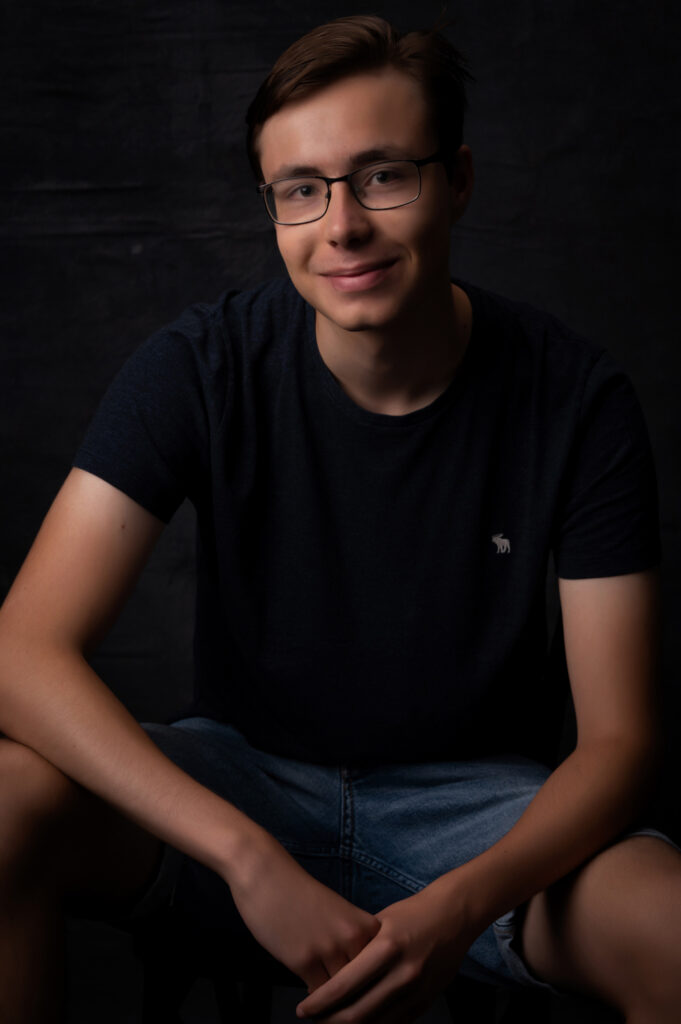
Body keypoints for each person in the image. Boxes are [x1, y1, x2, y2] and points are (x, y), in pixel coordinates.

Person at [0, 14, 680, 1023]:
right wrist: (244, 854)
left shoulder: (575, 399)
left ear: (458, 180)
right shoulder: (202, 366)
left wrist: (463, 903)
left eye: (383, 176)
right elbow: (19, 652)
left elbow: (622, 743)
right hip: (245, 783)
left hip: (480, 814)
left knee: (670, 928)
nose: (342, 225)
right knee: (5, 802)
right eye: (300, 189)